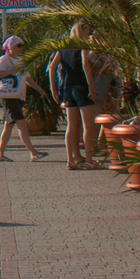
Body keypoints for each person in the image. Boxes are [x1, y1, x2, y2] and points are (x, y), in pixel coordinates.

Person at [49, 23, 102, 170]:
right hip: (81, 86)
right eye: (87, 31)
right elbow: (85, 65)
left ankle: (70, 160)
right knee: (88, 125)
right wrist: (91, 87)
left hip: (67, 88)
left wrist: (53, 88)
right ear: (82, 31)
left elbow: (53, 67)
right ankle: (90, 160)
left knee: (71, 126)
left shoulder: (63, 48)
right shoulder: (82, 46)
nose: (89, 34)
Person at [0, 36, 48, 162]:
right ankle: (33, 152)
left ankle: (0, 154)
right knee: (21, 123)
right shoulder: (5, 59)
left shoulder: (21, 60)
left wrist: (39, 89)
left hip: (17, 96)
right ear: (10, 47)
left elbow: (27, 79)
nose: (21, 48)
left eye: (22, 45)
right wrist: (12, 70)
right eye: (18, 45)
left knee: (9, 125)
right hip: (8, 96)